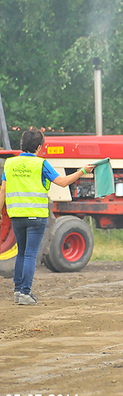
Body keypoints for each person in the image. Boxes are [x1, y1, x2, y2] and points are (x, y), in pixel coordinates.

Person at [0, 128, 95, 305]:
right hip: (36, 216)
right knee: (30, 255)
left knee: (21, 253)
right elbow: (63, 182)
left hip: (16, 215)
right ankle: (26, 294)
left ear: (22, 145)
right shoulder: (41, 164)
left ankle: (18, 291)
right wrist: (83, 170)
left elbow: (3, 189)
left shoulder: (10, 164)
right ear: (39, 147)